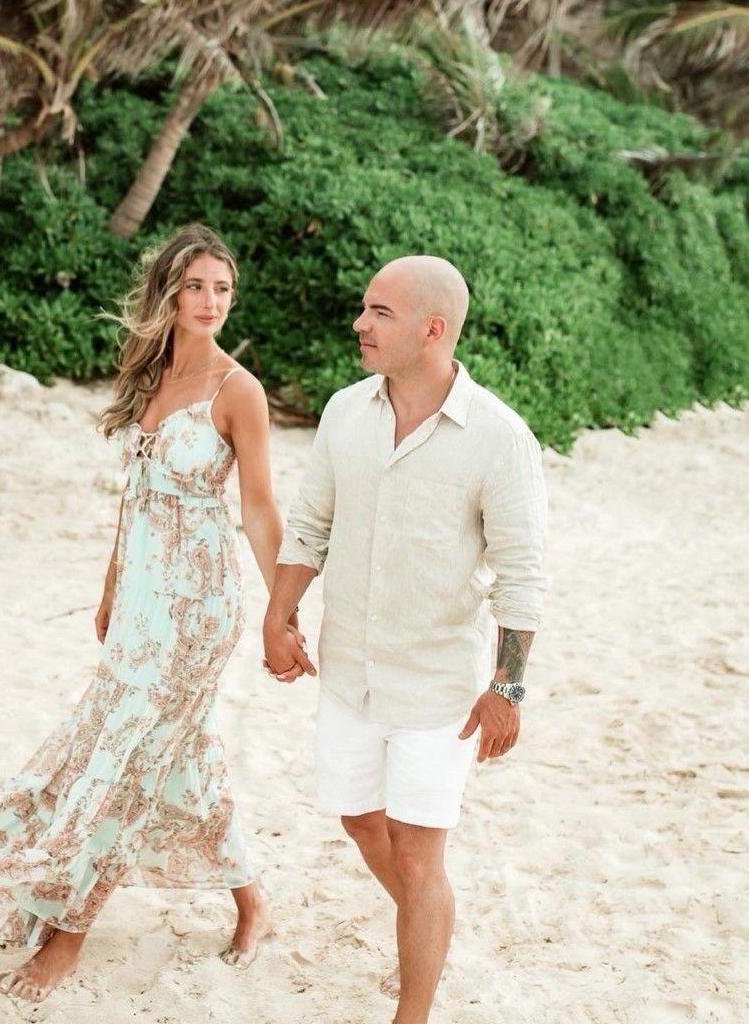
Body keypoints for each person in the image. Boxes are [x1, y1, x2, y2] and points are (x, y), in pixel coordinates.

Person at [0, 224, 290, 1003]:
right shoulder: (148, 375)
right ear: (170, 291)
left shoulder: (238, 391)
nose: (211, 301)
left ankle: (68, 935)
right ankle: (253, 904)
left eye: (223, 289)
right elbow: (134, 497)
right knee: (175, 757)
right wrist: (111, 586)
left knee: (126, 762)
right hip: (142, 601)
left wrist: (282, 610)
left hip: (198, 608)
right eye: (197, 286)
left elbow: (260, 510)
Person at [261, 255, 548, 1024]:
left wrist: (508, 688)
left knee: (420, 858)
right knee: (361, 822)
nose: (360, 323)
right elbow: (310, 523)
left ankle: (412, 1010)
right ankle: (433, 917)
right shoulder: (343, 412)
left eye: (380, 312)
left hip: (437, 690)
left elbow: (522, 576)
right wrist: (278, 615)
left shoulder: (499, 438)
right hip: (346, 674)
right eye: (365, 307)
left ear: (432, 329)